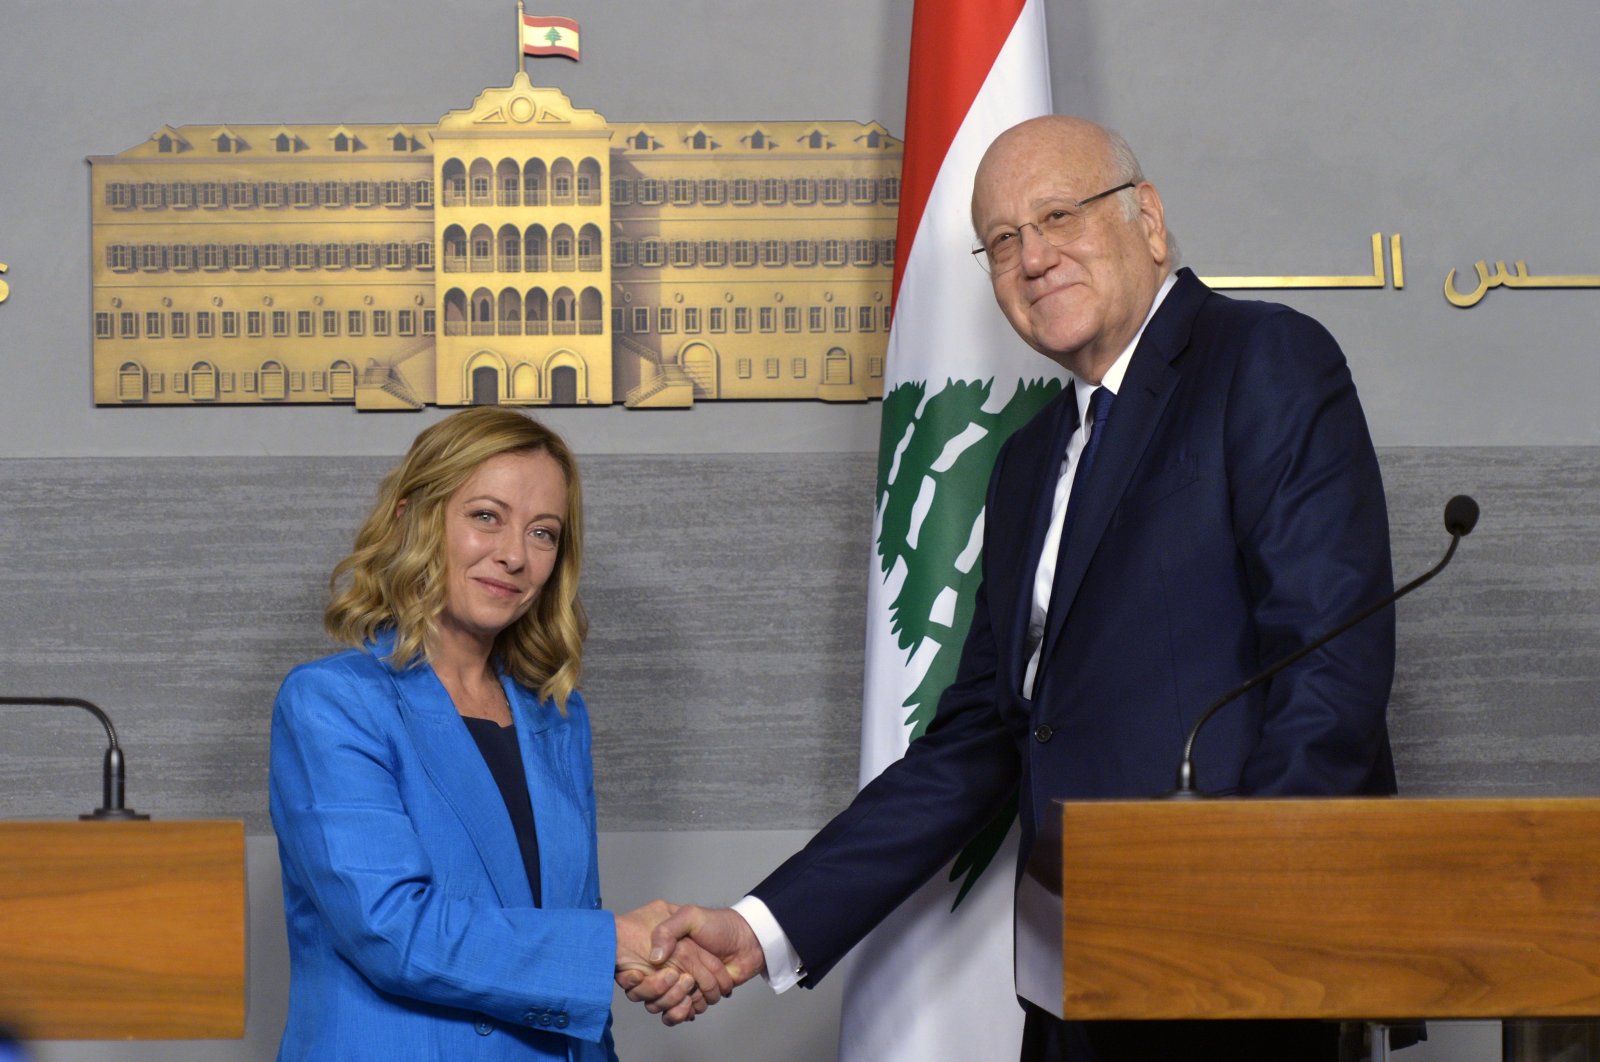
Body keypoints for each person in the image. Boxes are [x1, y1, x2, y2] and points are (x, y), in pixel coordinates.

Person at [646, 115, 1399, 1061]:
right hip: (1070, 985)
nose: (1033, 257)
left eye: (1059, 215)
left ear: (1149, 222)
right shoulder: (1027, 460)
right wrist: (761, 928)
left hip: (1236, 982)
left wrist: (1241, 921)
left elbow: (1329, 667)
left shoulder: (1264, 360)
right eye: (1003, 241)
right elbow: (979, 742)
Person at [269, 407, 731, 1061]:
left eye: (543, 533)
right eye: (487, 516)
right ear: (413, 517)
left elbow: (558, 933)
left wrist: (649, 961)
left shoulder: (559, 718)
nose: (515, 555)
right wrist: (609, 946)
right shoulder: (332, 702)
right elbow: (391, 930)